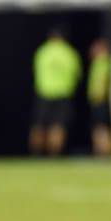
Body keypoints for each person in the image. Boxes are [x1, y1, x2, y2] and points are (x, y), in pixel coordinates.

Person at [29, 27, 81, 157]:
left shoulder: (43, 51)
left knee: (39, 125)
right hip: (63, 92)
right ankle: (54, 154)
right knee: (58, 126)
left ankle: (37, 153)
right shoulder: (69, 53)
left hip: (44, 91)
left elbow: (35, 71)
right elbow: (77, 74)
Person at [86, 38, 111, 158]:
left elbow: (104, 81)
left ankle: (105, 152)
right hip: (96, 100)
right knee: (97, 127)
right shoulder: (97, 63)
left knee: (102, 127)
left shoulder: (104, 63)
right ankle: (99, 151)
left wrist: (101, 95)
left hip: (101, 100)